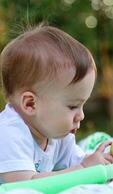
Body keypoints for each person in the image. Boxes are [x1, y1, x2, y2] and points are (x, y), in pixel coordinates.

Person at [0, 24, 113, 183]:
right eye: (73, 106)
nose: (81, 115)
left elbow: (80, 163)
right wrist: (83, 170)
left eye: (82, 105)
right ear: (30, 104)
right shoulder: (9, 133)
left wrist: (100, 162)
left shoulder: (56, 132)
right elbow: (24, 186)